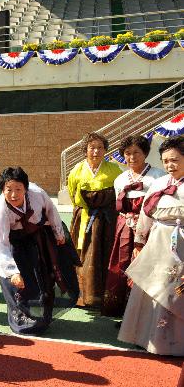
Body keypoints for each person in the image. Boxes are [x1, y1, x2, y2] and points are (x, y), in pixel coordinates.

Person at [0, 166, 80, 334]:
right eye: (9, 190)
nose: (14, 194)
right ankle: (24, 321)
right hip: (16, 244)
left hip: (41, 237)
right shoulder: (0, 210)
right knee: (23, 283)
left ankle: (45, 316)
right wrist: (12, 272)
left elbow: (51, 211)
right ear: (2, 190)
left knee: (48, 276)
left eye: (19, 189)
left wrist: (58, 233)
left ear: (26, 188)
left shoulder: (37, 193)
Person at [118, 136, 184, 355]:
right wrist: (139, 241)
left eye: (174, 160)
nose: (169, 165)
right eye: (165, 161)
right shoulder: (160, 183)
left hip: (181, 246)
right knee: (152, 288)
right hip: (158, 242)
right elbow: (146, 214)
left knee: (175, 291)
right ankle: (147, 338)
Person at [102, 135, 165, 318]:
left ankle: (145, 313)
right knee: (122, 265)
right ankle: (123, 312)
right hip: (124, 227)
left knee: (146, 266)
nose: (132, 157)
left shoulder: (158, 176)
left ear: (145, 153)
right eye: (127, 153)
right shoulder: (120, 179)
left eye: (136, 152)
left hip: (149, 228)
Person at [66, 132, 121, 309]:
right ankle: (82, 296)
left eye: (100, 147)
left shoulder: (114, 170)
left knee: (103, 255)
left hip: (106, 221)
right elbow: (73, 195)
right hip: (84, 219)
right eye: (92, 147)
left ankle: (102, 295)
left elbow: (119, 194)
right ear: (85, 150)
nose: (96, 151)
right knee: (81, 256)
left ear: (105, 150)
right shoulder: (77, 170)